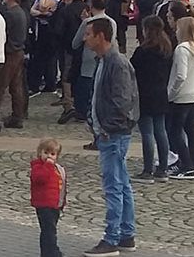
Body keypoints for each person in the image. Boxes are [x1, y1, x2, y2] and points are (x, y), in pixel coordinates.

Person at [84, 17, 137, 257]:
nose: (85, 38)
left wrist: (106, 127)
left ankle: (112, 237)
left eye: (89, 34)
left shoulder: (116, 63)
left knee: (114, 185)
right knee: (121, 183)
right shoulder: (104, 61)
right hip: (109, 131)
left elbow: (122, 101)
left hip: (113, 134)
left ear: (101, 36)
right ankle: (126, 233)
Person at [166, 16, 194, 179]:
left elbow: (180, 75)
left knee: (175, 131)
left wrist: (172, 93)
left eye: (178, 29)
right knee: (191, 131)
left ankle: (186, 164)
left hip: (181, 96)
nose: (176, 31)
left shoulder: (182, 49)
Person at [129, 16, 171, 181]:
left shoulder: (143, 51)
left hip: (145, 94)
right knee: (160, 131)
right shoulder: (166, 49)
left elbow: (132, 69)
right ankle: (163, 168)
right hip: (160, 93)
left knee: (147, 132)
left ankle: (148, 170)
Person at [30, 138, 67, 257]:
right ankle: (50, 252)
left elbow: (61, 186)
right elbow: (40, 179)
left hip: (54, 204)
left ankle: (52, 250)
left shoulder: (57, 168)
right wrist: (47, 166)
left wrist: (62, 202)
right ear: (40, 152)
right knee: (48, 231)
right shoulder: (38, 167)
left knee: (51, 230)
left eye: (52, 154)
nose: (49, 156)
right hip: (44, 204)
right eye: (46, 153)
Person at [1, 0, 30, 129]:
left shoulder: (11, 14)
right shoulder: (21, 12)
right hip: (19, 51)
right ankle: (18, 115)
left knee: (1, 85)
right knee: (16, 86)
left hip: (11, 52)